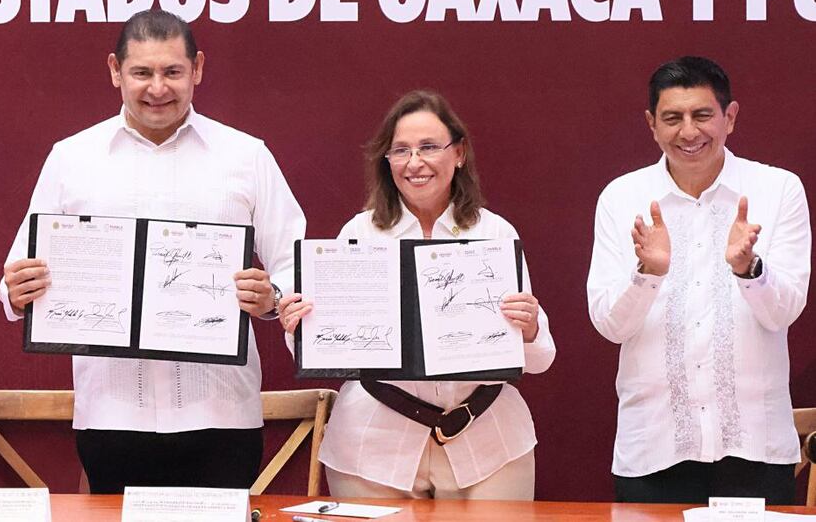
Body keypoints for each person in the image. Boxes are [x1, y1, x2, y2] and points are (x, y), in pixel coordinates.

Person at [0, 9, 306, 494]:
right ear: (115, 71)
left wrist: (271, 298)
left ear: (198, 69)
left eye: (172, 72)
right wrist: (18, 291)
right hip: (112, 411)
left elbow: (295, 264)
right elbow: (18, 272)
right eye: (142, 72)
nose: (157, 87)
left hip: (221, 412)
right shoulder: (72, 158)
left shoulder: (245, 157)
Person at [280, 90, 555, 499]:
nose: (415, 163)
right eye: (400, 151)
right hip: (371, 449)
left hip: (489, 445)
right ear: (385, 161)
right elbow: (326, 350)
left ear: (459, 152)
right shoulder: (359, 235)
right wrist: (298, 327)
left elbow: (540, 360)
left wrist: (529, 329)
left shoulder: (495, 234)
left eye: (429, 147)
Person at [586, 56, 810, 504]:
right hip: (654, 449)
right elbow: (611, 326)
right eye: (672, 118)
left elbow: (786, 311)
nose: (688, 132)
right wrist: (647, 274)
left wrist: (749, 270)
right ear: (651, 124)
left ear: (730, 117)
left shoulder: (777, 189)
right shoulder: (621, 197)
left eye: (702, 115)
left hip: (756, 448)